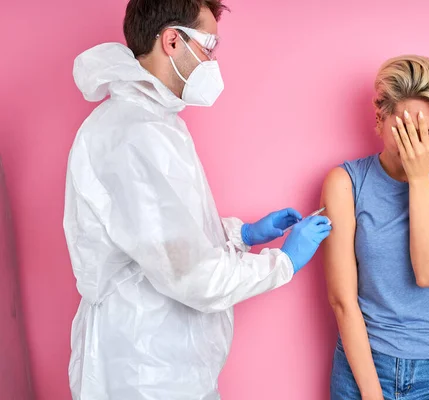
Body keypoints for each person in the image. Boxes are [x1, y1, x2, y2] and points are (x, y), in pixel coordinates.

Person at [63, 0, 332, 399]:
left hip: (164, 361)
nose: (212, 60)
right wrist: (283, 263)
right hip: (144, 370)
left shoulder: (155, 122)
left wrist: (243, 235)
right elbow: (191, 273)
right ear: (172, 40)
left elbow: (167, 238)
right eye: (209, 47)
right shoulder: (134, 133)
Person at [322, 55, 429, 400]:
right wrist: (371, 393)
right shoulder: (346, 183)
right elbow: (342, 300)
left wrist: (419, 177)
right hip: (362, 367)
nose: (420, 147)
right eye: (408, 132)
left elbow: (428, 272)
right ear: (380, 118)